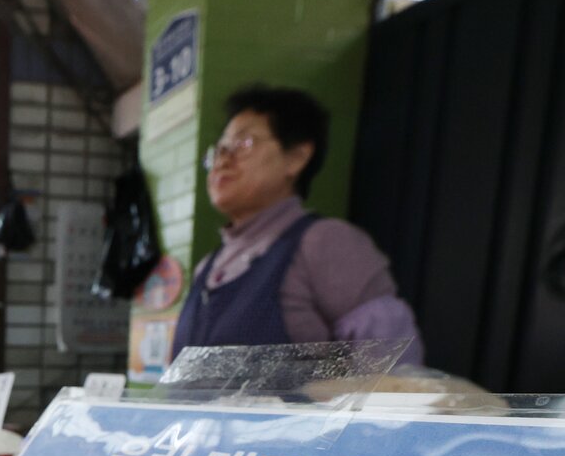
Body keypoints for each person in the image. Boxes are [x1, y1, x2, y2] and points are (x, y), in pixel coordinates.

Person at [171, 84, 424, 363]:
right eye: (219, 149)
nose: (222, 161)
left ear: (296, 158)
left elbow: (393, 370)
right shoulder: (206, 267)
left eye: (243, 144)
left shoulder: (326, 242)